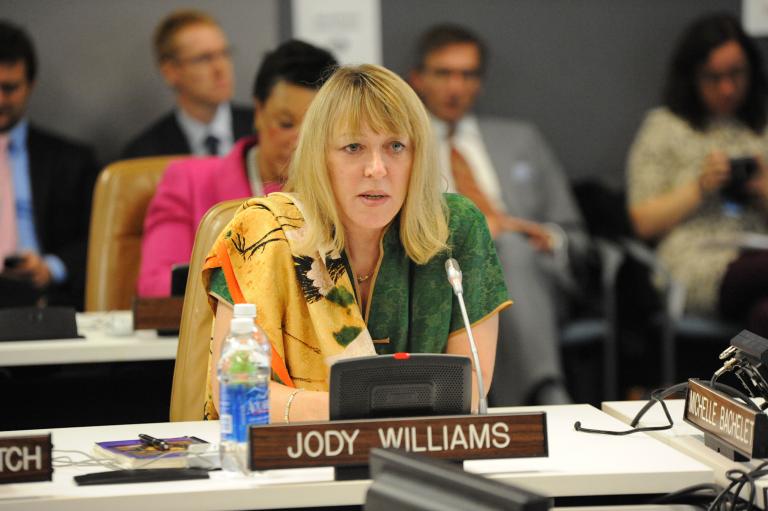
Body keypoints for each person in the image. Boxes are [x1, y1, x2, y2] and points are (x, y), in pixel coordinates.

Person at [202, 64, 511, 422]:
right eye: (353, 147)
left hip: (419, 458)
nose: (377, 168)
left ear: (418, 157)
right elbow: (235, 394)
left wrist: (364, 408)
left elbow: (470, 389)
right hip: (290, 458)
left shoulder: (455, 229)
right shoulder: (264, 234)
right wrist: (367, 408)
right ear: (321, 158)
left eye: (396, 146)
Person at [409, 24, 590, 405]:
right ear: (419, 79)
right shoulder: (403, 144)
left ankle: (505, 398)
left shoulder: (522, 139)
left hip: (536, 282)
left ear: (481, 82)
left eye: (467, 74)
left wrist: (550, 240)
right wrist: (480, 234)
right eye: (443, 73)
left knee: (512, 250)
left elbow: (573, 232)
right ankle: (547, 393)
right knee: (501, 247)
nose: (455, 87)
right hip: (445, 281)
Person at [137, 40, 337, 297]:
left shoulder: (344, 190)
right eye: (286, 123)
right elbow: (156, 285)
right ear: (258, 112)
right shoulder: (189, 181)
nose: (299, 141)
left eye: (314, 128)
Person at [627, 13, 768, 335]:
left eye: (736, 74)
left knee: (764, 316)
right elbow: (642, 222)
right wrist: (699, 188)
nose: (727, 88)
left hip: (758, 249)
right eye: (713, 77)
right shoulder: (663, 128)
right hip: (695, 260)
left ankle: (745, 386)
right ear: (692, 77)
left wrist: (763, 189)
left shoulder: (762, 129)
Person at [0, 20, 99, 310]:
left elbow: (101, 240)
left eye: (9, 88)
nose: (0, 99)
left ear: (31, 85)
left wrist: (51, 267)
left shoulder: (71, 160)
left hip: (47, 302)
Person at [121, 9, 252, 158]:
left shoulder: (263, 133)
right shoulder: (143, 156)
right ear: (170, 72)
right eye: (204, 58)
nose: (221, 68)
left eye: (224, 54)